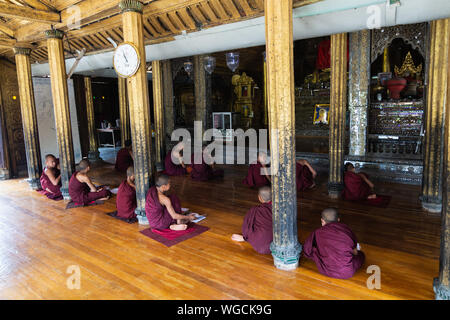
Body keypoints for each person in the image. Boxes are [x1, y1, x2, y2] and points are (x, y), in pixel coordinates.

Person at [303, 208, 365, 279]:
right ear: (338, 220)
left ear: (322, 221)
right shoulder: (346, 230)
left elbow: (307, 251)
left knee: (315, 250)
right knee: (361, 255)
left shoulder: (318, 232)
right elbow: (355, 251)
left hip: (324, 270)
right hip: (346, 272)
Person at [231, 186, 273, 254]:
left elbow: (246, 227)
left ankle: (247, 238)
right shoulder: (280, 209)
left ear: (259, 198)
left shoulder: (255, 210)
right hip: (279, 245)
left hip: (262, 247)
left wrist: (245, 238)